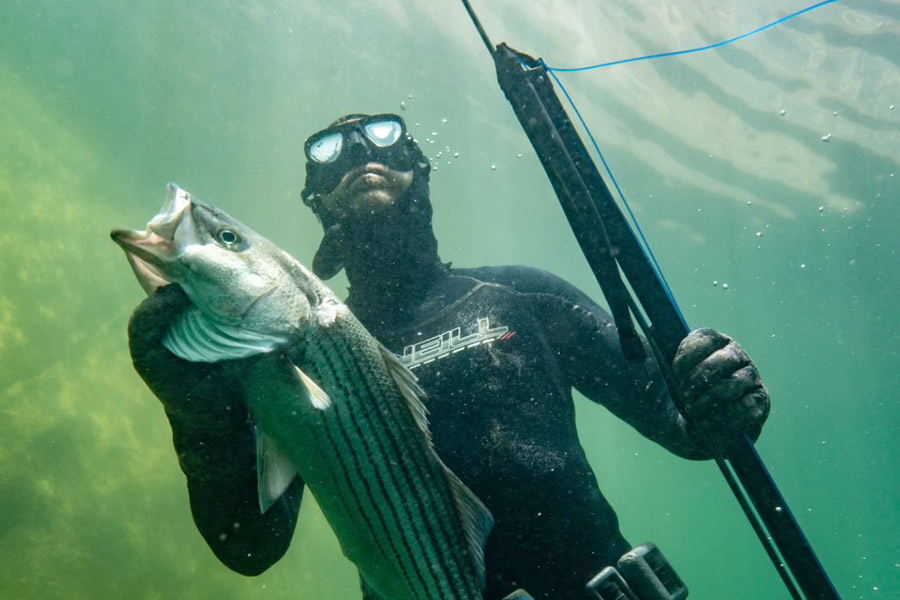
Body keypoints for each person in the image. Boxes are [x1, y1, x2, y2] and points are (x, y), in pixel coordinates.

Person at [128, 113, 770, 600]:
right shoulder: (284, 363)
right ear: (319, 204)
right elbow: (249, 546)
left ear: (421, 173)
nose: (357, 156)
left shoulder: (525, 295)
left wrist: (720, 392)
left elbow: (685, 426)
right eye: (332, 161)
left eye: (381, 144)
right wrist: (196, 405)